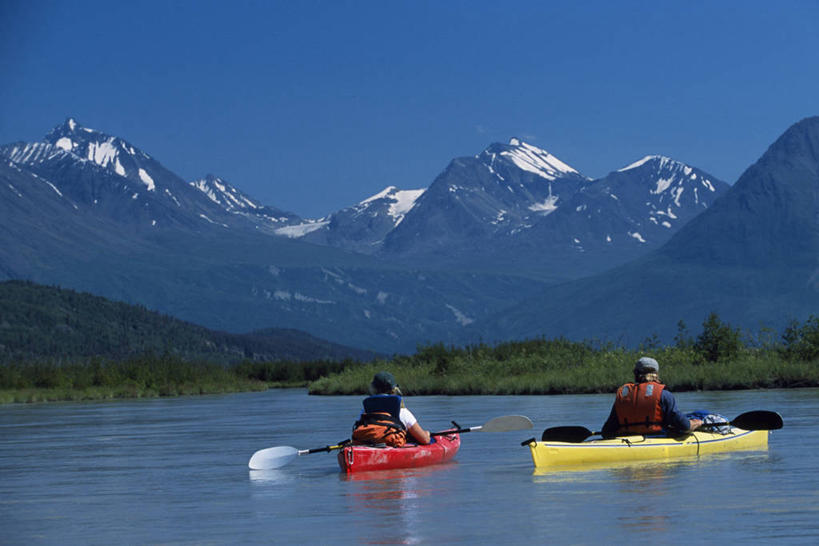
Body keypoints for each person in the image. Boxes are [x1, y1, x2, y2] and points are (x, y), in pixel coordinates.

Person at [601, 357, 702, 438]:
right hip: (657, 438)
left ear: (636, 374)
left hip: (626, 438)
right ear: (656, 374)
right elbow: (684, 426)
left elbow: (606, 431)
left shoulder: (623, 396)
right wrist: (696, 423)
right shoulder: (664, 395)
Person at [351, 371, 432, 446]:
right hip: (391, 443)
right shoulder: (402, 411)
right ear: (394, 389)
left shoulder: (365, 410)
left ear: (374, 388)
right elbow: (425, 440)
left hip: (369, 443)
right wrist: (427, 434)